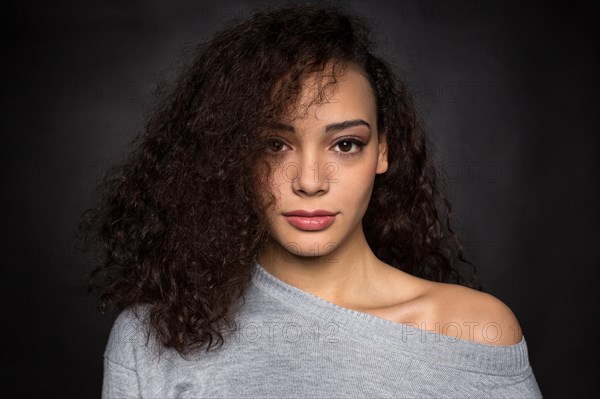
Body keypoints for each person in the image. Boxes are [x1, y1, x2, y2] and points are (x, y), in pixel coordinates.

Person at [78, 3, 543, 398]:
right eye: (274, 145)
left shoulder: (472, 331)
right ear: (231, 155)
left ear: (383, 151)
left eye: (345, 145)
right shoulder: (151, 338)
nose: (310, 181)